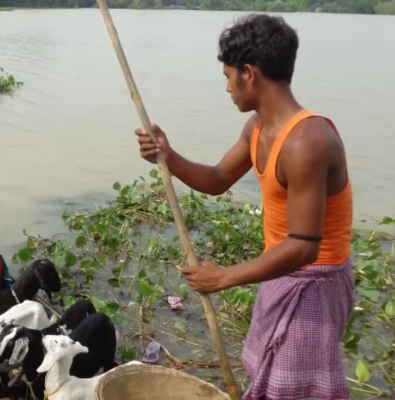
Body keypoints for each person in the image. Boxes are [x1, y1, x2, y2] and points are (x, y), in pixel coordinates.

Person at [135, 14, 353, 400]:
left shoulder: (307, 141)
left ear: (249, 74)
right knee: (267, 371)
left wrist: (223, 277)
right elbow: (218, 179)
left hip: (315, 283)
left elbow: (305, 246)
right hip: (281, 269)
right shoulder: (258, 126)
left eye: (227, 75)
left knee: (295, 389)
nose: (226, 87)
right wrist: (167, 156)